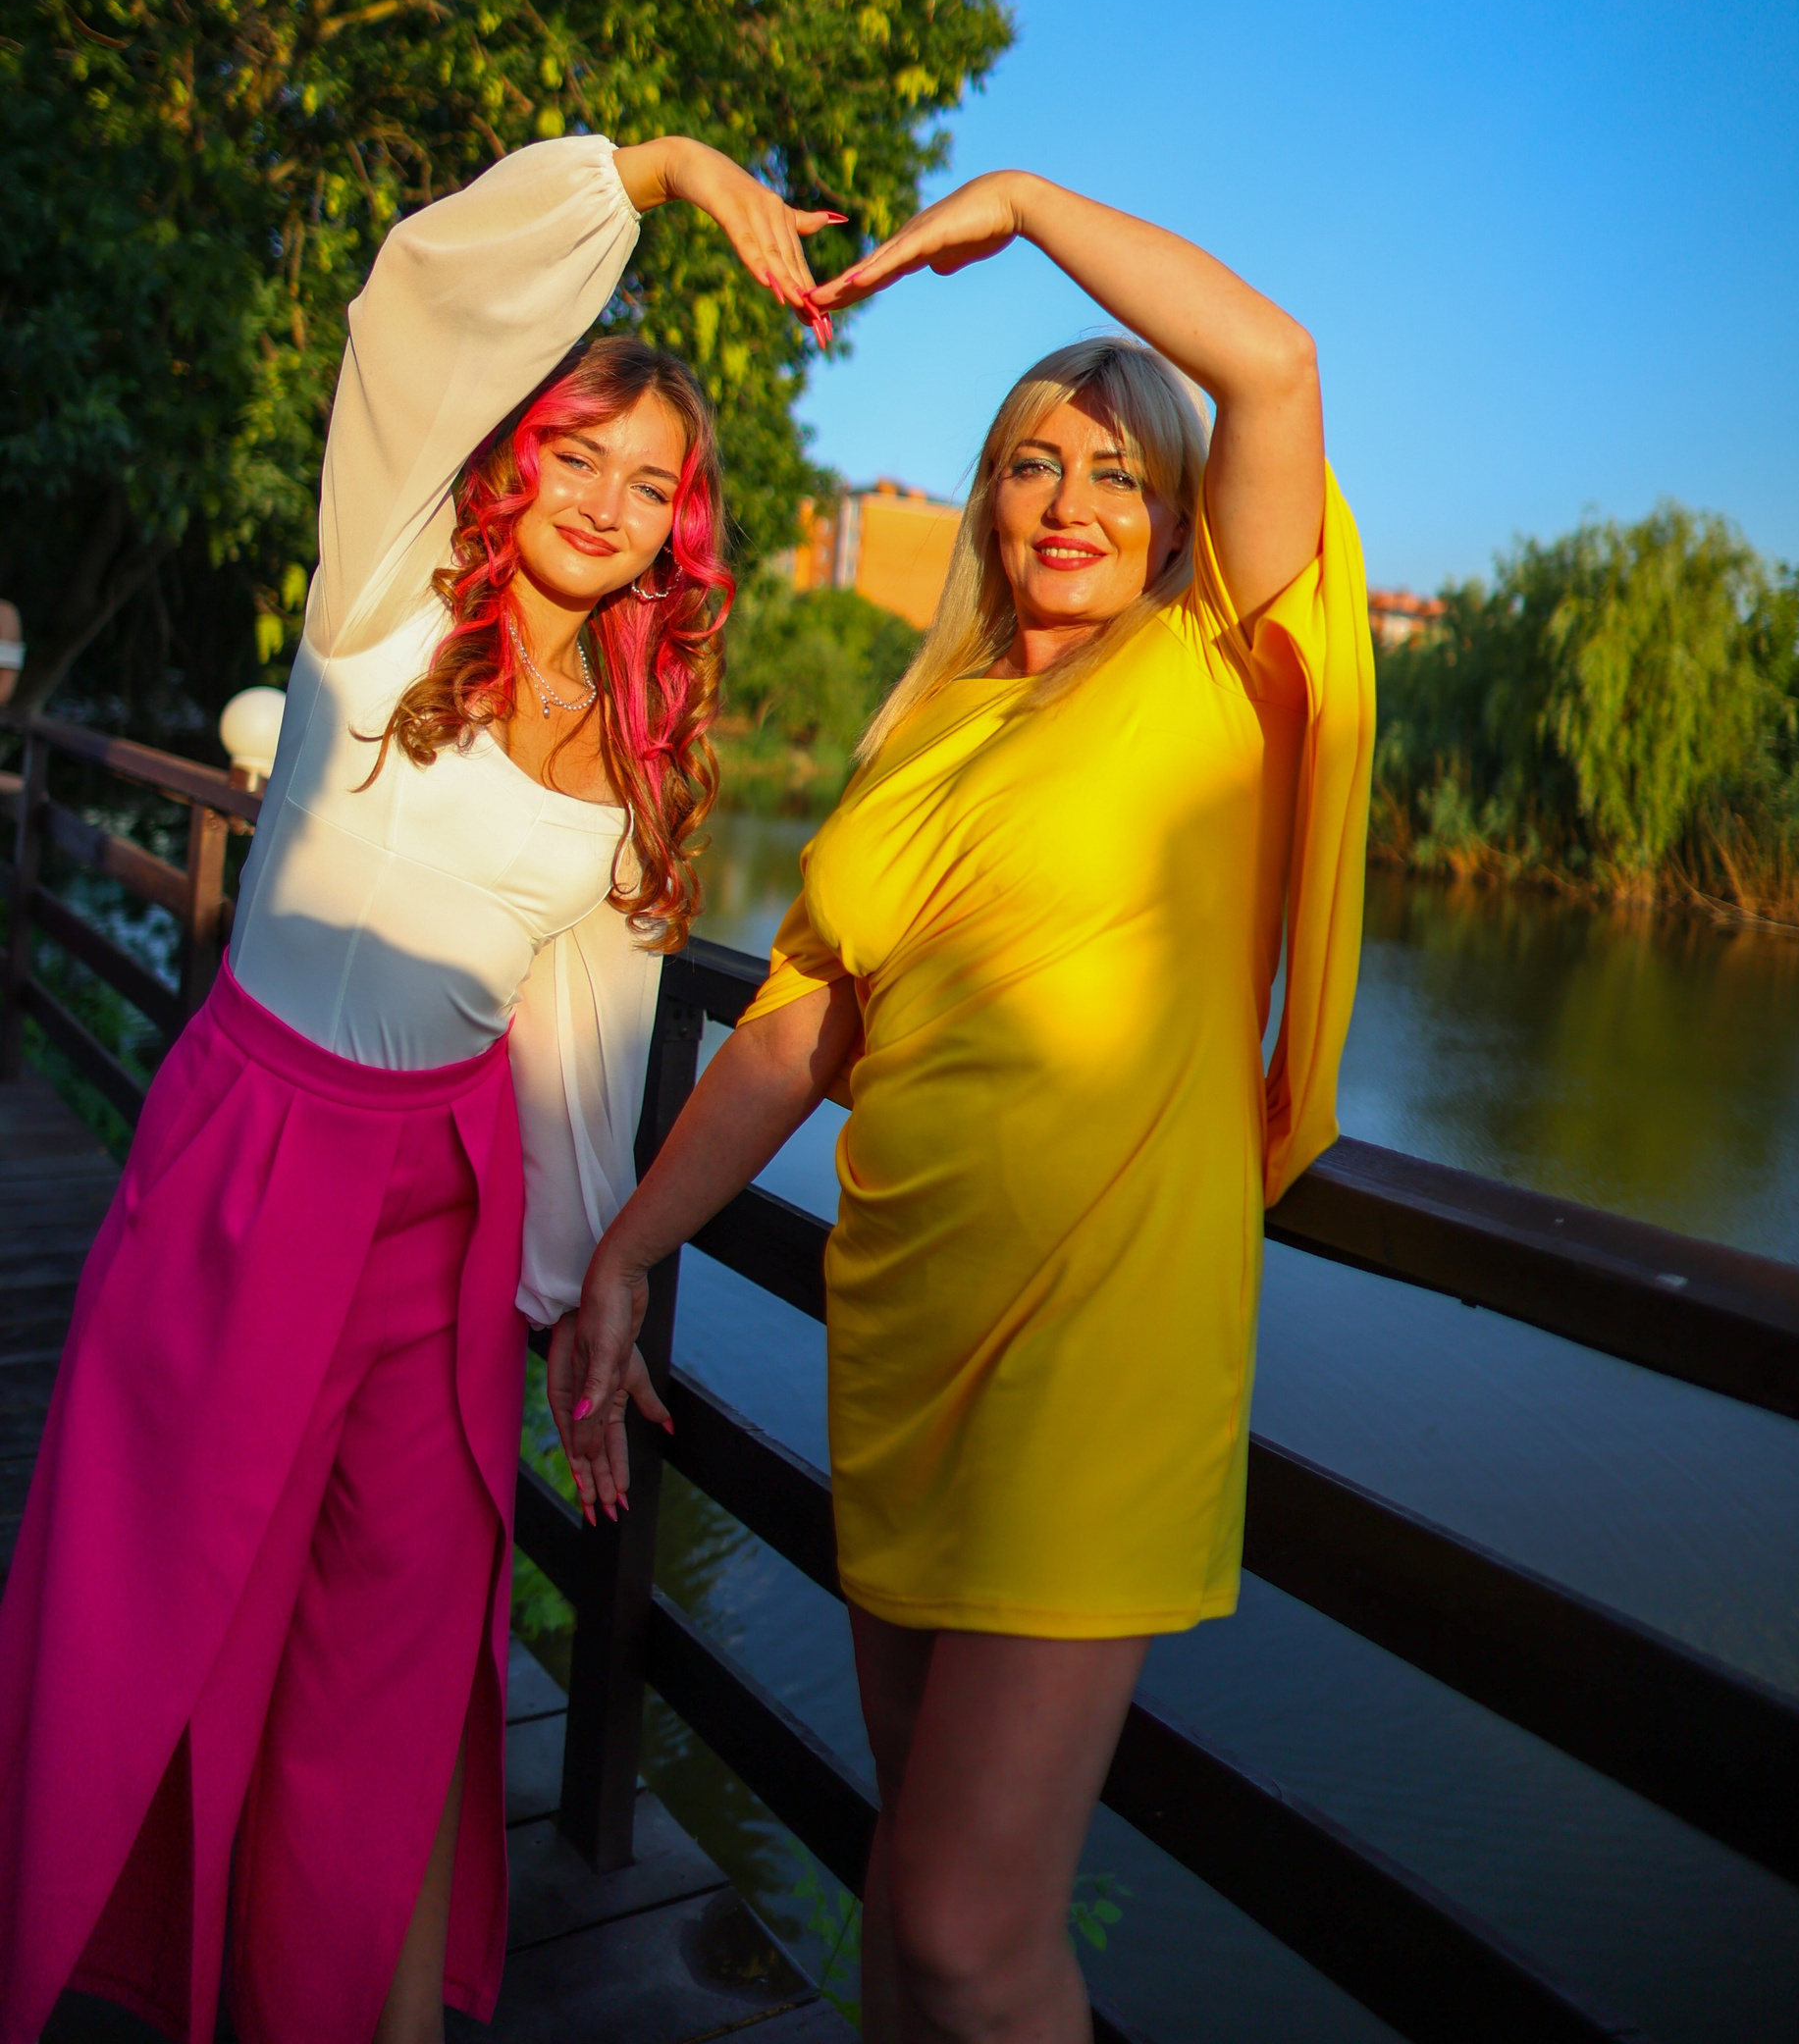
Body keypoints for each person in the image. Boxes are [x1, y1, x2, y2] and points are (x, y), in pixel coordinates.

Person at [0, 130, 832, 2044]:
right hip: (255, 1155)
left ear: (682, 533)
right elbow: (413, 298)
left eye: (655, 486)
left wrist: (589, 1285)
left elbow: (585, 1039)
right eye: (584, 454)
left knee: (390, 1656)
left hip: (443, 1221)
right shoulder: (383, 585)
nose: (609, 505)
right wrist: (658, 173)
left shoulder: (633, 750)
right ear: (516, 445)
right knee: (159, 1606)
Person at [555, 167, 1375, 2044]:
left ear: (1175, 517)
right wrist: (624, 1252)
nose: (1071, 503)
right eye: (1032, 464)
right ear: (987, 501)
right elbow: (797, 1028)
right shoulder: (924, 726)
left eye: (1119, 474)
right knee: (914, 1900)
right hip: (906, 1327)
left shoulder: (1219, 663)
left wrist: (1011, 204)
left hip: (1099, 1342)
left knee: (961, 1923)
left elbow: (1273, 364)